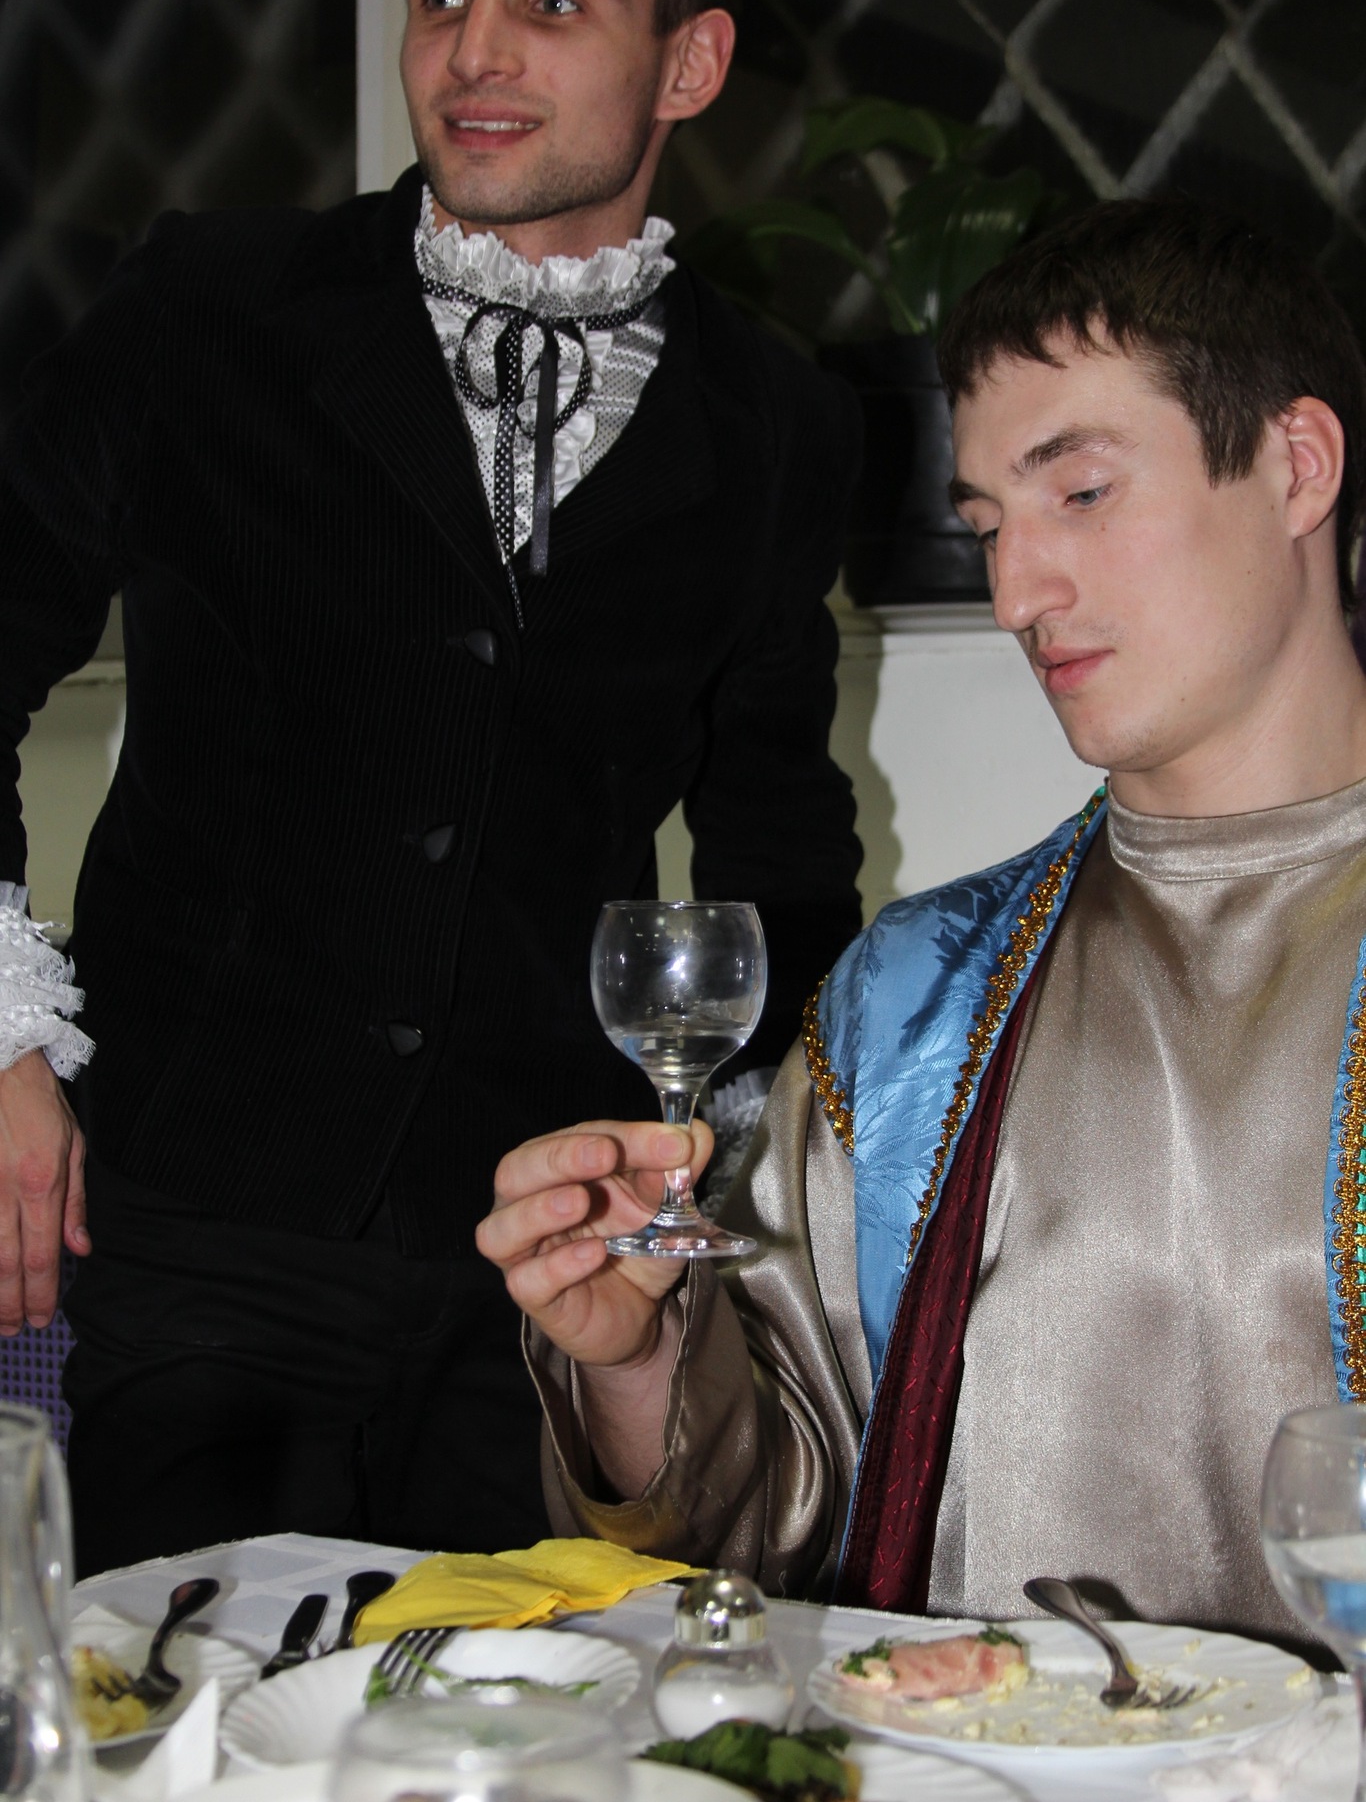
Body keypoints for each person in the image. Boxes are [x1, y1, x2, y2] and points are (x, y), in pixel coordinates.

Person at [0, 0, 862, 1574]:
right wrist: (4, 1040)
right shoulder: (209, 306)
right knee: (200, 1698)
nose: (473, 51)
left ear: (689, 63)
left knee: (544, 1705)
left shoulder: (776, 417)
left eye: (552, 0)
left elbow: (783, 844)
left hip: (544, 1263)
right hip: (204, 1227)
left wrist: (707, 1157)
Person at [481, 196, 1366, 1641]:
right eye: (988, 524)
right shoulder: (915, 1000)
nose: (1017, 591)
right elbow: (768, 1535)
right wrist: (634, 1361)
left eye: (1081, 494)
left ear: (1295, 465)